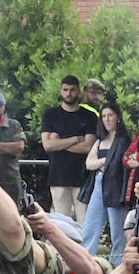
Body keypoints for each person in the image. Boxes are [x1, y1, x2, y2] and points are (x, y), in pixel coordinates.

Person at [41, 76, 98, 222]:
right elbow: (47, 146)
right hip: (58, 177)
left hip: (82, 178)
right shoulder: (51, 115)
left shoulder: (89, 116)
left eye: (72, 90)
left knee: (84, 222)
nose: (69, 93)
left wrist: (58, 143)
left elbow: (88, 147)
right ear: (61, 91)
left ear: (78, 91)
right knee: (61, 224)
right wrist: (76, 139)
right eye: (65, 90)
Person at [80, 103, 132, 259]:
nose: (107, 119)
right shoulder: (100, 140)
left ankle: (118, 265)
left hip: (115, 185)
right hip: (99, 182)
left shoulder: (123, 140)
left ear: (117, 117)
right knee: (90, 227)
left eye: (110, 115)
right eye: (103, 116)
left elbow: (122, 165)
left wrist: (102, 162)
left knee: (118, 231)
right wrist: (105, 161)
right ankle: (85, 261)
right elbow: (89, 164)